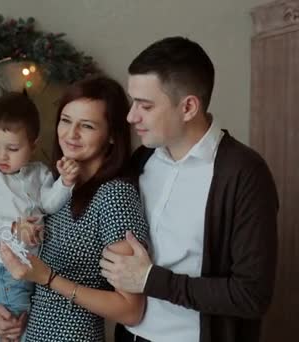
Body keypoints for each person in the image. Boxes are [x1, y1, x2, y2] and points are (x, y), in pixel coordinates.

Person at [99, 36, 279, 342]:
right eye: (133, 102)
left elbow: (251, 295)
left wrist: (151, 279)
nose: (131, 116)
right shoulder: (141, 160)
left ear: (188, 107)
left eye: (145, 105)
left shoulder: (245, 174)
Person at [0, 77, 150, 342]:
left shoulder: (114, 196)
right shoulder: (53, 185)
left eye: (87, 126)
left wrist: (49, 279)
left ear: (111, 136)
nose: (71, 134)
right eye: (66, 120)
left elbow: (131, 309)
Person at [0, 92, 80, 339]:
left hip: (30, 266)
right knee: (15, 325)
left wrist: (65, 183)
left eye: (12, 148)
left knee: (22, 323)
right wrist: (13, 227)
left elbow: (49, 204)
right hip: (2, 267)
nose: (1, 156)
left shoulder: (39, 173)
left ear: (33, 145)